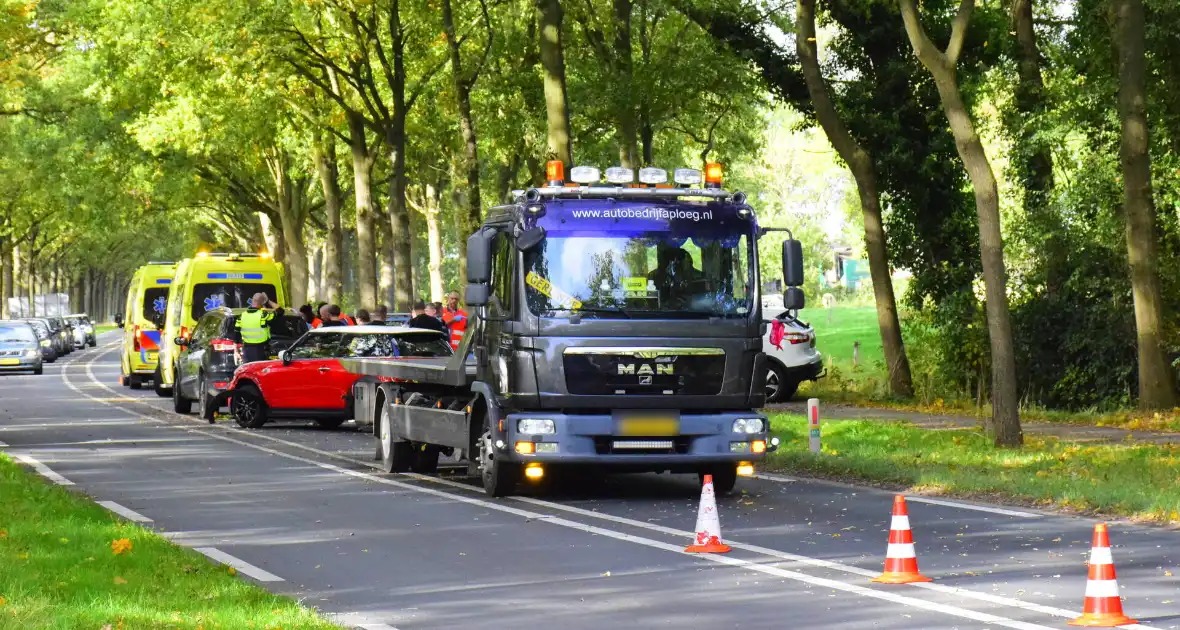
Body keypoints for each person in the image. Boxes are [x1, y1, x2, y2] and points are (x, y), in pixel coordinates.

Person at [236, 293, 285, 366]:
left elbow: (236, 333)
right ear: (262, 303)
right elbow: (280, 311)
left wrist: (238, 348)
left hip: (246, 350)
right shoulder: (263, 315)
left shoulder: (242, 316)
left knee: (249, 372)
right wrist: (268, 301)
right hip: (260, 350)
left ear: (252, 301)